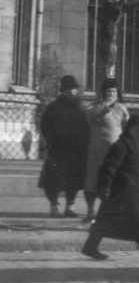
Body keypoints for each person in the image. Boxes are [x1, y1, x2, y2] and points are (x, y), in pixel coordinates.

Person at [81, 115, 139, 261]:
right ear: (134, 129)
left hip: (131, 190)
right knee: (121, 219)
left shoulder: (133, 144)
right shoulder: (121, 145)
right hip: (121, 190)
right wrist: (105, 187)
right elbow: (109, 167)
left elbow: (136, 166)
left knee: (132, 219)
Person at [39, 75, 89, 217]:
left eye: (74, 89)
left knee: (74, 179)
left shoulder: (81, 107)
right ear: (63, 91)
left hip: (77, 150)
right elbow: (45, 126)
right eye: (69, 89)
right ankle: (54, 206)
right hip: (57, 149)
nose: (72, 92)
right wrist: (50, 141)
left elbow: (87, 126)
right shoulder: (53, 107)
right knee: (52, 179)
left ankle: (70, 206)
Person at [83, 78, 130, 221]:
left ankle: (110, 212)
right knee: (92, 181)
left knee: (113, 181)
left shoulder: (122, 108)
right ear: (103, 93)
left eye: (114, 91)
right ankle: (90, 211)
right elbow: (90, 117)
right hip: (97, 151)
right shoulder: (94, 107)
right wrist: (105, 106)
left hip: (114, 152)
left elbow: (127, 126)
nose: (111, 94)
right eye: (109, 91)